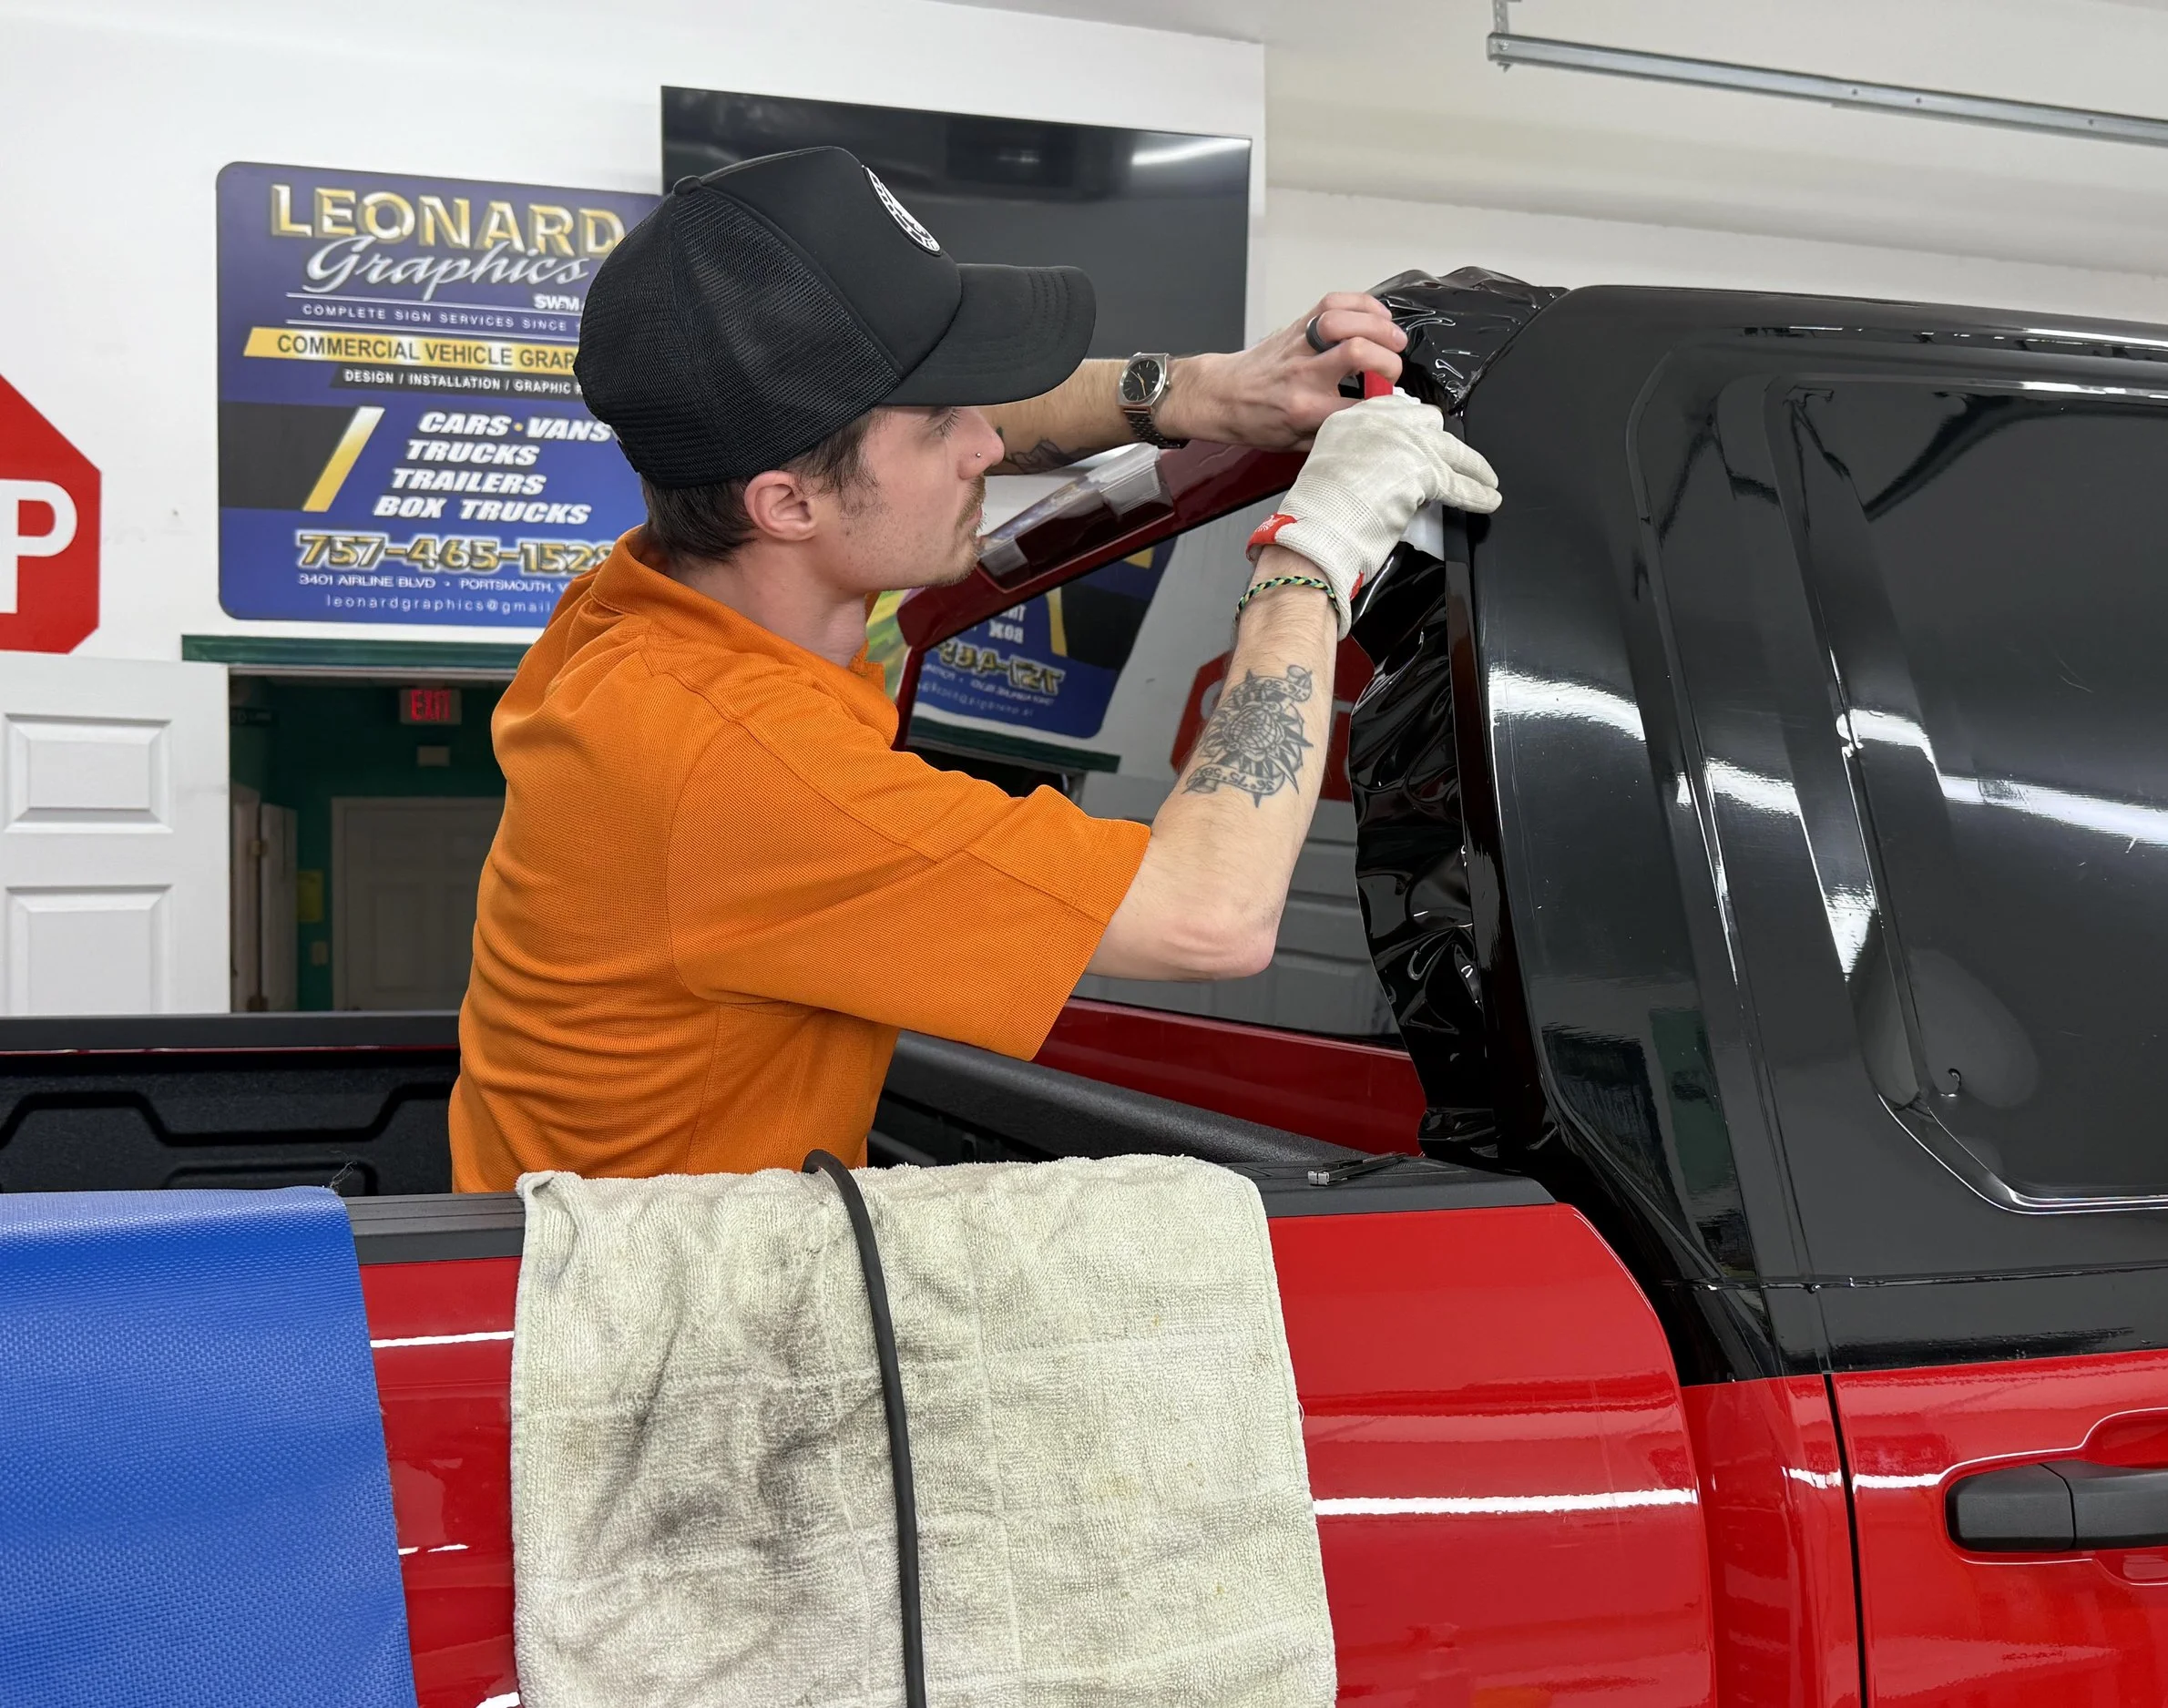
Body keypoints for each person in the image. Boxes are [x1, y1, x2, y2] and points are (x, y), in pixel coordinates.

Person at [447, 147, 1498, 1191]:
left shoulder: (657, 604)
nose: (985, 448)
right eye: (941, 421)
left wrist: (1207, 393)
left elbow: (925, 443)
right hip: (654, 1336)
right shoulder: (736, 766)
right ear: (787, 505)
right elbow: (1210, 916)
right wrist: (1310, 552)